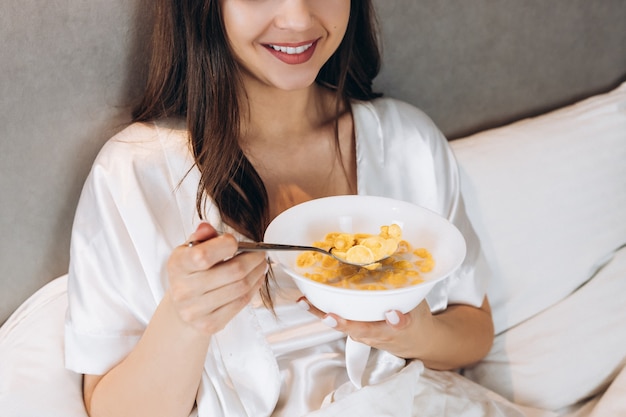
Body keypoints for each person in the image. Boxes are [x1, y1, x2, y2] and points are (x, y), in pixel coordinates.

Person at [64, 1, 495, 416]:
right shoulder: (133, 174)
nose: (298, 17)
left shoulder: (407, 143)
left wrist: (417, 336)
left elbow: (475, 331)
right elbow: (110, 410)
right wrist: (185, 319)